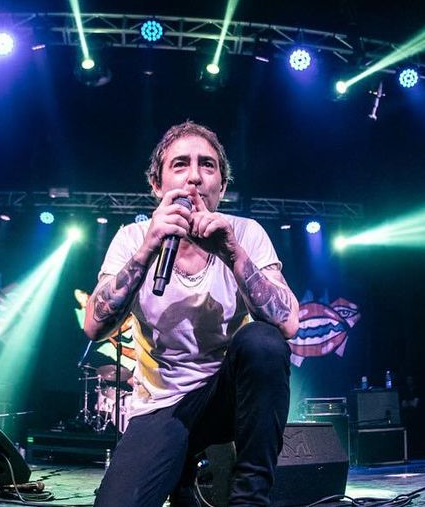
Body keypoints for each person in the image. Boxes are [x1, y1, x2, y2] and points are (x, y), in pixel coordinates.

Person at [84, 121, 299, 507]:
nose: (195, 177)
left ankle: (250, 500)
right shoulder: (132, 238)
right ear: (157, 185)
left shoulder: (245, 233)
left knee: (263, 341)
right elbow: (94, 325)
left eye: (208, 165)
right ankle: (179, 471)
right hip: (161, 405)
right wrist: (149, 248)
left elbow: (287, 323)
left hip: (223, 397)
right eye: (180, 164)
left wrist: (232, 254)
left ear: (222, 187)